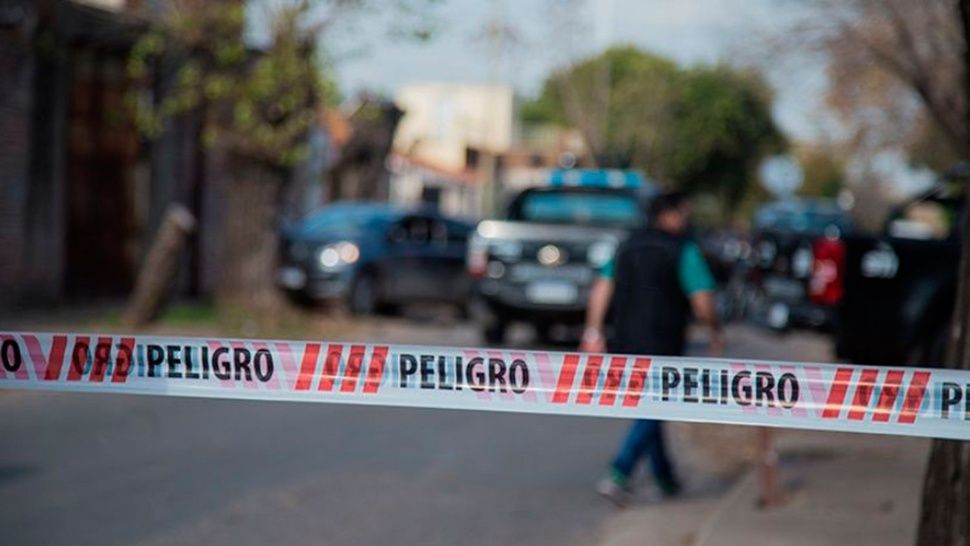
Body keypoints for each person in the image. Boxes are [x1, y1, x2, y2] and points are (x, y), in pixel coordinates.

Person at [580, 190, 724, 506]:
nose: (686, 219)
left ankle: (665, 477)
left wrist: (593, 331)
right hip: (664, 341)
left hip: (626, 339)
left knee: (651, 404)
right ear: (669, 215)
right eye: (683, 213)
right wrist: (715, 330)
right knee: (655, 406)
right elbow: (703, 299)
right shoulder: (683, 250)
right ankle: (620, 470)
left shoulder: (627, 246)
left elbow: (602, 287)